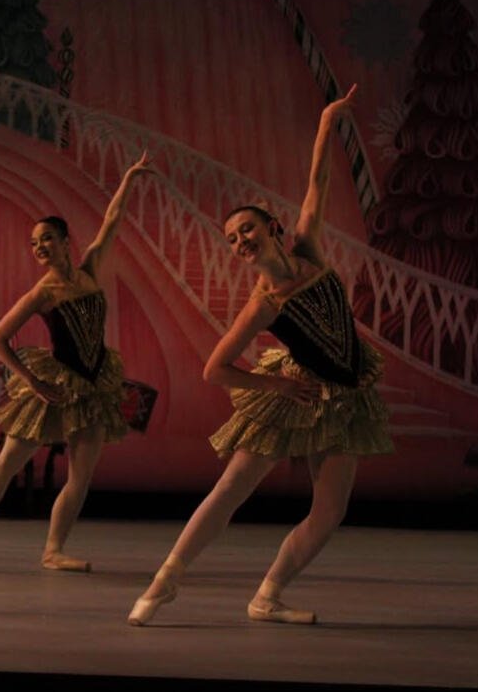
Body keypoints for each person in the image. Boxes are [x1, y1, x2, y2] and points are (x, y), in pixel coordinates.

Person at [128, 85, 393, 626]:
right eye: (230, 239)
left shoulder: (308, 248)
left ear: (271, 226)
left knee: (330, 510)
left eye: (245, 229)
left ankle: (267, 596)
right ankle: (164, 581)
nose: (239, 241)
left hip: (344, 396)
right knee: (231, 489)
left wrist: (327, 121)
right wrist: (278, 386)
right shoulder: (263, 304)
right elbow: (215, 369)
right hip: (295, 394)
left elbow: (317, 183)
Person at [0, 151, 155, 572]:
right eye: (34, 243)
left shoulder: (89, 269)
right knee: (5, 467)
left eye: (47, 238)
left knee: (81, 477)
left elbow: (113, 220)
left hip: (92, 387)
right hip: (56, 385)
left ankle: (53, 549)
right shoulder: (43, 292)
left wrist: (128, 178)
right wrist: (32, 382)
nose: (39, 247)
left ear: (65, 241)